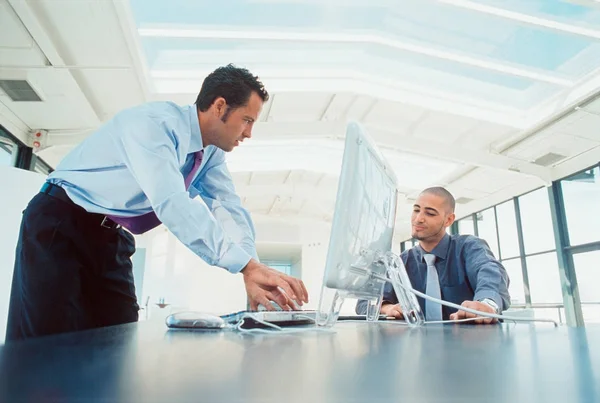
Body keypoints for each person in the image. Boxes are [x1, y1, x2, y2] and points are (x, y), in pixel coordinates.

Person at [6, 64, 308, 341]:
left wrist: (252, 268)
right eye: (247, 120)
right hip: (61, 223)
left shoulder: (211, 153)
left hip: (111, 235)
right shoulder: (153, 126)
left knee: (118, 337)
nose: (249, 133)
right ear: (219, 107)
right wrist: (245, 266)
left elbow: (228, 208)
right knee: (50, 342)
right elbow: (172, 202)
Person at [356, 187, 509, 324]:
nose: (418, 219)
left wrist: (487, 304)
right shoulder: (401, 262)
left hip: (469, 346)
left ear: (448, 220)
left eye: (429, 213)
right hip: (417, 347)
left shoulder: (469, 247)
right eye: (416, 210)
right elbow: (364, 303)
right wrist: (386, 308)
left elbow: (491, 272)